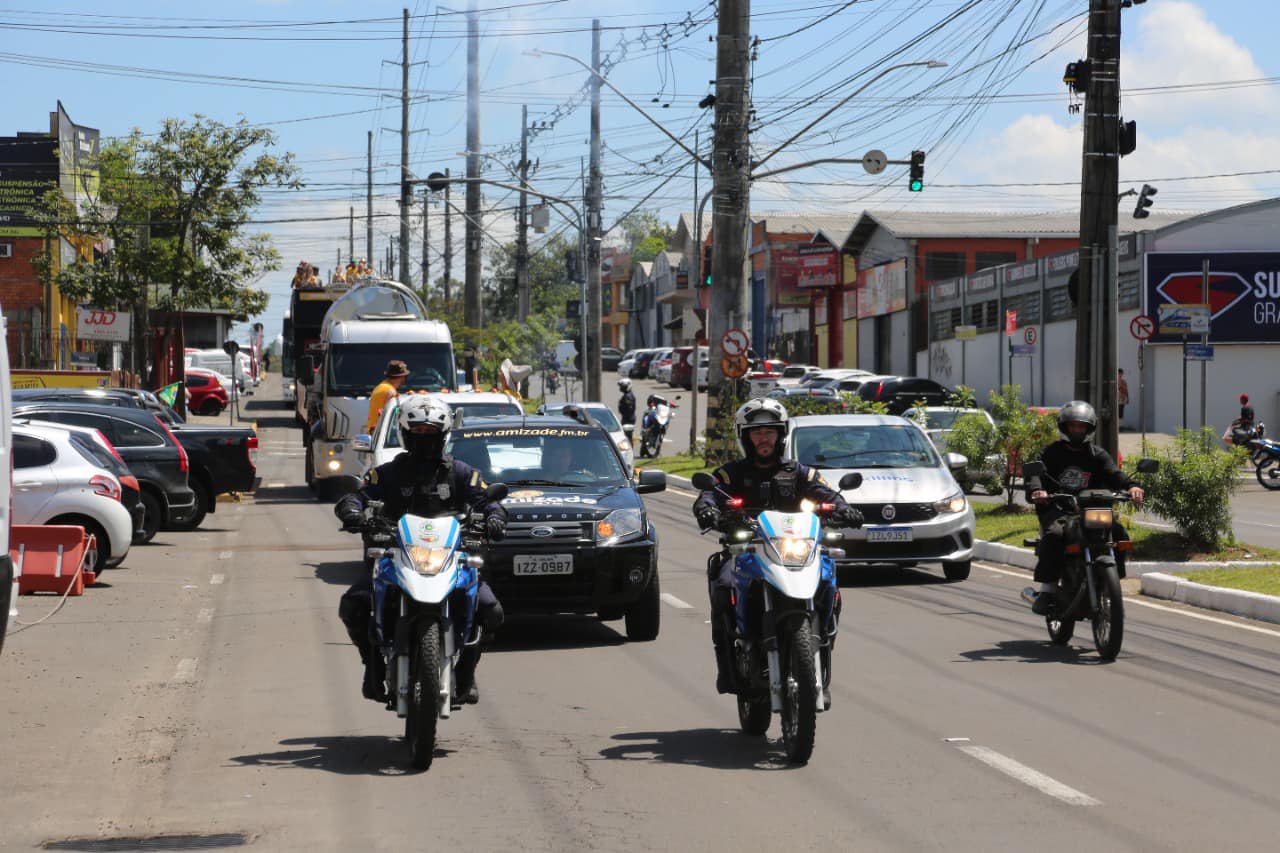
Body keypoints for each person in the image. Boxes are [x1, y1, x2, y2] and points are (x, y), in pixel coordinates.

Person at [335, 396, 508, 704]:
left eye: (431, 432)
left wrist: (494, 516)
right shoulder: (387, 473)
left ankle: (467, 672)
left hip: (451, 558)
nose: (425, 438)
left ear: (443, 434)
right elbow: (359, 496)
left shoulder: (462, 473)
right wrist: (352, 511)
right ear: (406, 433)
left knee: (490, 610)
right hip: (395, 555)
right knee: (353, 604)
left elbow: (487, 500)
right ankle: (371, 664)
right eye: (418, 431)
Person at [691, 397, 863, 696]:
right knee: (721, 583)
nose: (764, 438)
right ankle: (729, 668)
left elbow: (828, 494)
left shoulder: (800, 473)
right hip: (750, 550)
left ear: (781, 434)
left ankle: (822, 641)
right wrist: (709, 510)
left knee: (828, 580)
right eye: (757, 433)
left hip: (797, 550)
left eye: (769, 431)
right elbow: (710, 494)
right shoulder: (730, 474)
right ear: (745, 437)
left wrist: (843, 509)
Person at [1025, 400, 1144, 614]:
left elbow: (1113, 474)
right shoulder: (1051, 453)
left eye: (1081, 426)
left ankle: (1112, 579)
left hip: (1092, 509)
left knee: (1118, 532)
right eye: (1073, 426)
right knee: (1054, 535)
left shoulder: (1097, 455)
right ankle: (1047, 590)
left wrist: (1132, 486)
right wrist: (1037, 490)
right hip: (1058, 508)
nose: (1078, 430)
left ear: (1089, 428)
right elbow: (1035, 474)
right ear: (1064, 427)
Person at [366, 360, 409, 433]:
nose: (404, 379)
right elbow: (394, 415)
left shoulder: (380, 387)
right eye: (404, 377)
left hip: (373, 432)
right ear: (402, 378)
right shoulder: (391, 392)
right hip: (381, 433)